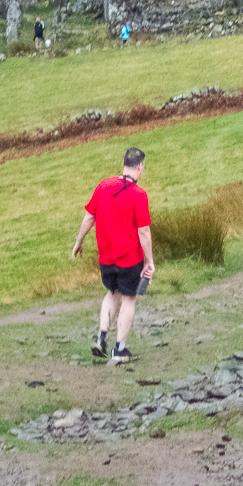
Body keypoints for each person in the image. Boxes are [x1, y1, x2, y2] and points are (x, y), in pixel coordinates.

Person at [72, 147, 155, 364]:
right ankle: (119, 349)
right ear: (140, 167)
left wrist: (78, 242)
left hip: (106, 259)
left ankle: (101, 337)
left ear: (124, 164)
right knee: (128, 298)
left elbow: (89, 216)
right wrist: (150, 261)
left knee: (112, 293)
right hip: (129, 259)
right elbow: (144, 231)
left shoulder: (104, 186)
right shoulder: (139, 195)